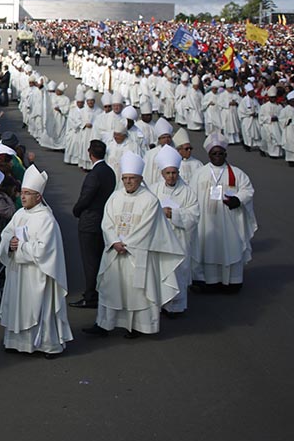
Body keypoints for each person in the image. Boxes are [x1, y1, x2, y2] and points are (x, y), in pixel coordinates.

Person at [84, 151, 185, 338]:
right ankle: (103, 323)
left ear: (140, 178)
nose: (128, 182)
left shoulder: (150, 200)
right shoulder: (115, 197)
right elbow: (107, 222)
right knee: (110, 287)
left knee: (136, 292)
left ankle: (139, 326)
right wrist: (114, 241)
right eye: (125, 178)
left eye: (132, 178)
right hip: (115, 252)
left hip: (137, 254)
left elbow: (146, 228)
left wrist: (126, 244)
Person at [0, 165, 73, 357]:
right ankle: (17, 343)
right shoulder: (20, 214)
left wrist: (20, 247)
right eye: (22, 193)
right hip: (18, 272)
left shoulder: (46, 219)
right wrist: (9, 243)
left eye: (28, 194)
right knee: (18, 307)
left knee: (39, 309)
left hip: (37, 273)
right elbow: (6, 234)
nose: (23, 197)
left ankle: (47, 344)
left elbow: (44, 250)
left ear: (38, 196)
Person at [190, 134, 257, 294]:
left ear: (226, 154)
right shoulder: (200, 174)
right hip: (207, 221)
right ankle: (210, 281)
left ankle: (233, 281)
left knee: (230, 247)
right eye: (214, 153)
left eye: (221, 153)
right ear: (209, 155)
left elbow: (248, 190)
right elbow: (191, 196)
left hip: (230, 221)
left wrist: (238, 200)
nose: (218, 156)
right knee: (209, 249)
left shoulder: (237, 173)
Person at [151, 145, 199, 316]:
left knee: (178, 271)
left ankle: (176, 306)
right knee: (161, 271)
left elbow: (194, 215)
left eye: (174, 173)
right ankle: (160, 303)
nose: (171, 176)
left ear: (178, 173)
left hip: (179, 238)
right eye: (168, 173)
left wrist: (173, 213)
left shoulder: (187, 192)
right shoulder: (154, 189)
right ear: (162, 173)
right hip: (160, 239)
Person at [69, 140, 116, 309]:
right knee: (99, 258)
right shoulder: (109, 172)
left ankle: (90, 296)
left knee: (90, 261)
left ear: (90, 154)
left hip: (90, 222)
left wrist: (76, 210)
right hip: (105, 219)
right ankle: (98, 290)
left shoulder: (94, 174)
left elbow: (86, 198)